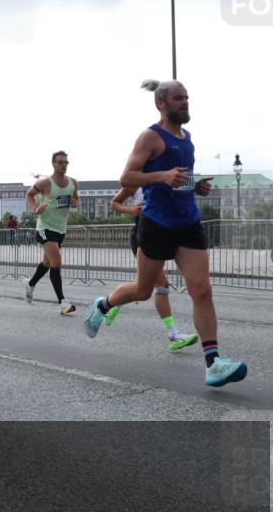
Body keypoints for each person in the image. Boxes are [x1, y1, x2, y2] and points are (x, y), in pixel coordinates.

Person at [83, 79, 247, 387]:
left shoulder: (188, 139)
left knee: (202, 290)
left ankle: (213, 364)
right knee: (143, 291)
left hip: (188, 224)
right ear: (161, 104)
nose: (185, 102)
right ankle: (103, 305)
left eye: (186, 97)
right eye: (177, 98)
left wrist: (195, 186)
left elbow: (178, 179)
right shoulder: (150, 137)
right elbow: (127, 176)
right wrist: (161, 175)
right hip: (157, 225)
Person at [103, 186, 198, 351]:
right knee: (161, 285)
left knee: (144, 285)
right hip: (142, 235)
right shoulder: (136, 180)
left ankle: (116, 300)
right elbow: (114, 204)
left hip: (162, 235)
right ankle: (173, 335)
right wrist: (132, 209)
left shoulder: (163, 177)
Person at [23, 151, 79, 315]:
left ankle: (30, 284)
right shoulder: (45, 182)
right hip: (45, 227)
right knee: (57, 262)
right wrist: (35, 208)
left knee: (47, 263)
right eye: (60, 162)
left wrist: (73, 201)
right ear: (53, 164)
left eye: (66, 162)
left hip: (60, 228)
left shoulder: (73, 183)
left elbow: (76, 201)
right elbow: (29, 194)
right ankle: (63, 303)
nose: (63, 165)